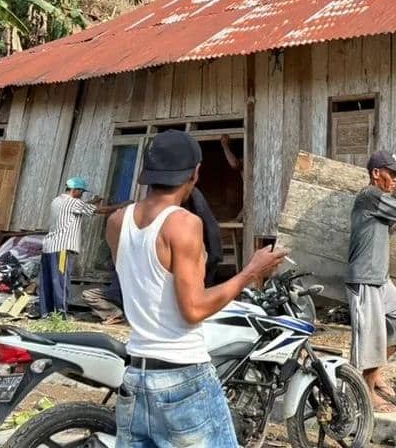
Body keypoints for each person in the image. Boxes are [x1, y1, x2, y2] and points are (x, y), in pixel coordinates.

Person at [108, 130, 284, 446]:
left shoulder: (118, 221)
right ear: (196, 173)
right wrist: (249, 273)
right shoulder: (183, 223)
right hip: (181, 377)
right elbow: (194, 309)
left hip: (135, 377)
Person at [348, 149, 396, 413]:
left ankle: (374, 373)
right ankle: (365, 392)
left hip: (381, 279)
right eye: (391, 174)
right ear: (376, 174)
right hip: (364, 280)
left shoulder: (378, 200)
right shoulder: (370, 195)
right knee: (368, 341)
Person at [40, 176, 128, 316]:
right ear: (75, 190)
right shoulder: (73, 203)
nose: (81, 195)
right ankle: (61, 314)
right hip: (62, 248)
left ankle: (46, 313)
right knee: (61, 281)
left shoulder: (57, 200)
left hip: (49, 247)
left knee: (48, 281)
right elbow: (100, 210)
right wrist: (122, 206)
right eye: (81, 192)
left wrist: (93, 202)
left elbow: (79, 208)